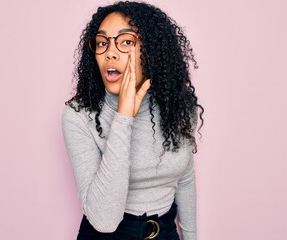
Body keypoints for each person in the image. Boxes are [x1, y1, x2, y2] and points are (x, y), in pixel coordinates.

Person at [62, 1, 204, 239]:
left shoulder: (179, 106)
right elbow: (104, 221)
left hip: (165, 232)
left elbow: (185, 178)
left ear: (152, 50)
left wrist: (190, 237)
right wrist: (124, 116)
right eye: (102, 42)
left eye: (126, 41)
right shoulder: (78, 115)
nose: (111, 52)